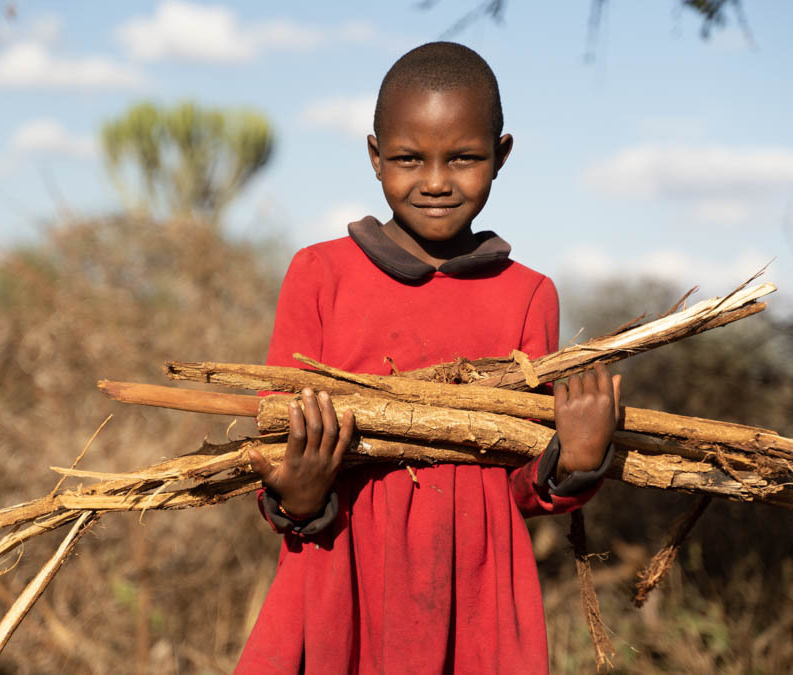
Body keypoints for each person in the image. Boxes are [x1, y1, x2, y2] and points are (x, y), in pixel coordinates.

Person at [237, 41, 621, 675]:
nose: (437, 181)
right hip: (339, 575)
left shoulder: (527, 294)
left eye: (464, 158)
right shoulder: (320, 274)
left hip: (474, 591)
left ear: (501, 157)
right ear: (374, 156)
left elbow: (518, 483)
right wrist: (298, 498)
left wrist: (575, 461)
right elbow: (280, 445)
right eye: (409, 158)